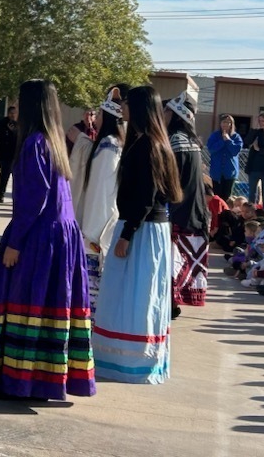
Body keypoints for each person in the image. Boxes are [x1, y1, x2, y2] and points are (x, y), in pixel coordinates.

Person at [0, 79, 95, 401]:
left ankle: (22, 381)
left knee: (27, 302)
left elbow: (34, 198)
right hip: (63, 234)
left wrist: (15, 243)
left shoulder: (34, 143)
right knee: (50, 306)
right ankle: (44, 380)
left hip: (39, 236)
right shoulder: (55, 141)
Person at [92, 85, 182, 384]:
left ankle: (132, 360)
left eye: (128, 104)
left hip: (141, 229)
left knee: (135, 295)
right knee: (130, 293)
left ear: (141, 108)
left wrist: (127, 234)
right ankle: (121, 358)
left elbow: (147, 195)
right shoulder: (148, 142)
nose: (123, 108)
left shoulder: (148, 145)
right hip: (144, 227)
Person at [75, 86, 126, 314]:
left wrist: (92, 231)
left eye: (100, 113)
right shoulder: (108, 144)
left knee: (93, 288)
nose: (96, 118)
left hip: (98, 226)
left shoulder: (109, 147)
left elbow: (102, 194)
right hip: (98, 223)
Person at [164, 92, 211, 315]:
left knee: (173, 261)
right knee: (179, 260)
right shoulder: (192, 141)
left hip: (179, 211)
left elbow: (171, 181)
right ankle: (173, 301)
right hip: (194, 211)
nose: (163, 115)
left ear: (176, 115)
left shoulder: (175, 141)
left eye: (166, 111)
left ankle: (170, 301)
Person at [206, 115, 243, 200]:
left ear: (231, 124)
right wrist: (222, 141)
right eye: (223, 122)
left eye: (228, 122)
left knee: (227, 197)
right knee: (217, 197)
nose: (225, 124)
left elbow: (235, 151)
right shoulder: (215, 136)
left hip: (230, 172)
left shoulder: (236, 137)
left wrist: (229, 140)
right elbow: (211, 149)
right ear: (220, 123)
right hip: (217, 172)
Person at [0, 106, 17, 203]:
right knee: (4, 175)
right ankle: (1, 195)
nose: (12, 115)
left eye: (14, 113)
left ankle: (16, 196)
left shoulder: (20, 123)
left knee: (17, 177)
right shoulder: (3, 122)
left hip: (16, 154)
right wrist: (5, 131)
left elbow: (22, 136)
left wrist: (14, 131)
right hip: (4, 153)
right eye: (11, 113)